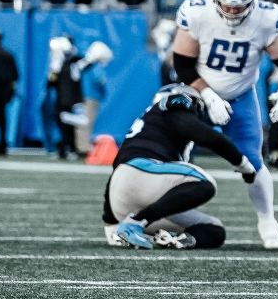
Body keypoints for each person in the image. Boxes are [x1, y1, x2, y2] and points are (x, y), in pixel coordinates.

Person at [170, 0, 278, 250]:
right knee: (175, 156)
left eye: (239, 7)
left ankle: (267, 221)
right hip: (196, 93)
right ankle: (168, 213)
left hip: (240, 95)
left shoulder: (266, 17)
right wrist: (208, 96)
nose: (231, 12)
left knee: (252, 162)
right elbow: (181, 63)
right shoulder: (196, 11)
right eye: (226, 6)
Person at [102, 84, 255, 250]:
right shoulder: (177, 100)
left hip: (122, 199)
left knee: (214, 230)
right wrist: (243, 164)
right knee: (204, 183)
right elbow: (201, 133)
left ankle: (175, 240)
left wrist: (110, 223)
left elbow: (118, 173)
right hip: (143, 178)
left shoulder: (147, 128)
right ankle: (137, 222)